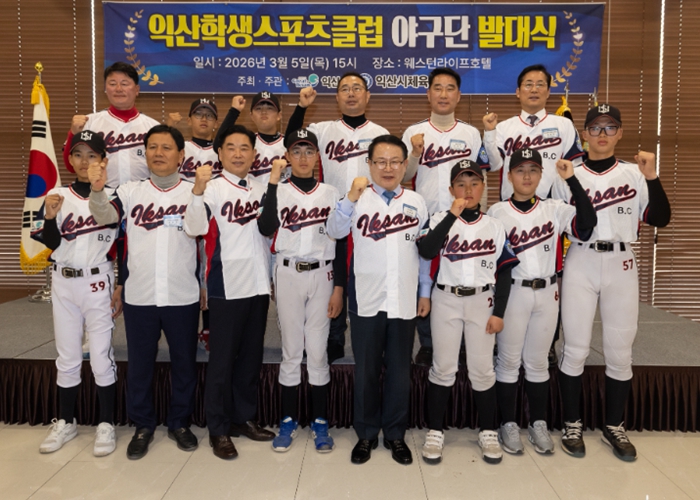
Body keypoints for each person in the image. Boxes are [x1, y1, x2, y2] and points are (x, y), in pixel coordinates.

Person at [552, 104, 671, 461]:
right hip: (581, 260)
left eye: (610, 127)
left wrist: (652, 176)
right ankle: (572, 423)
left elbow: (660, 217)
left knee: (620, 351)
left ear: (620, 133)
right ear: (584, 134)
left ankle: (614, 425)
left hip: (621, 261)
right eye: (595, 127)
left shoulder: (635, 173)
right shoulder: (567, 173)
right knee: (575, 348)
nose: (602, 134)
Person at [88, 124, 200, 460]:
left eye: (167, 147)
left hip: (182, 294)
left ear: (181, 155)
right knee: (139, 366)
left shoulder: (195, 191)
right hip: (140, 295)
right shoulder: (130, 191)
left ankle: (180, 423)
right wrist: (97, 190)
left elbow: (203, 239)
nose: (159, 153)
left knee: (184, 364)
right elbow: (106, 216)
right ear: (145, 152)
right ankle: (143, 425)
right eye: (152, 147)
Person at [327, 134, 430, 466]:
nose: (388, 168)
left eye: (395, 161)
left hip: (404, 299)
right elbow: (334, 231)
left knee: (400, 371)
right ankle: (367, 434)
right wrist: (350, 197)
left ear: (405, 165)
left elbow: (425, 255)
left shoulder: (417, 201)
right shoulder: (357, 199)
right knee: (367, 371)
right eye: (380, 162)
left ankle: (396, 434)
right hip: (366, 299)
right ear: (368, 164)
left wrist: (425, 292)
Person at [487, 148, 596, 456]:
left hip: (548, 293)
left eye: (533, 170)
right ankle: (508, 423)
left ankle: (538, 423)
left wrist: (571, 180)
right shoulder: (496, 212)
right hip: (514, 292)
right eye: (520, 170)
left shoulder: (554, 208)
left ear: (541, 175)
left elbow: (587, 224)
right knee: (508, 361)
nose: (527, 176)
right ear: (509, 176)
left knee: (537, 362)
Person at [418, 159, 519, 465]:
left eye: (474, 183)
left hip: (481, 300)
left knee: (482, 369)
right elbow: (426, 251)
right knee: (443, 367)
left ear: (483, 187)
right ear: (451, 190)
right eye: (461, 184)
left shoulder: (494, 225)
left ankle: (487, 431)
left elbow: (505, 272)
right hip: (446, 298)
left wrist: (499, 312)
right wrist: (452, 214)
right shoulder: (439, 218)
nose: (468, 190)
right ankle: (435, 431)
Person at [184, 124, 275, 460]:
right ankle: (219, 428)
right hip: (226, 285)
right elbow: (193, 228)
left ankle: (243, 418)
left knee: (250, 358)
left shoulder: (262, 188)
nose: (238, 154)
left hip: (258, 285)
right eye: (231, 147)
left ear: (254, 154)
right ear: (219, 153)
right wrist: (197, 190)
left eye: (244, 148)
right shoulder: (210, 188)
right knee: (222, 362)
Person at [288, 73, 390, 364]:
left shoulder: (380, 133)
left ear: (367, 96)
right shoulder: (323, 129)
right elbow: (291, 140)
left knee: (367, 280)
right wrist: (301, 107)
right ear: (337, 97)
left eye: (357, 88)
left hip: (370, 220)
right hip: (332, 217)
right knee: (332, 281)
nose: (351, 93)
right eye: (345, 89)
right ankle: (334, 338)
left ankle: (368, 339)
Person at [257, 129, 344, 453]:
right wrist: (272, 183)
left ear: (318, 156)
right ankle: (288, 420)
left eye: (309, 151)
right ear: (287, 157)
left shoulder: (332, 193)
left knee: (318, 351)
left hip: (322, 273)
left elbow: (342, 241)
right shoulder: (278, 190)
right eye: (297, 151)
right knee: (292, 350)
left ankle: (321, 421)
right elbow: (266, 227)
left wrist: (339, 287)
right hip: (288, 271)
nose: (303, 157)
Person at [33, 131, 119, 457]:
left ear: (103, 161)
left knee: (100, 357)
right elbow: (51, 243)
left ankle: (106, 423)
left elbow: (121, 240)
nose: (85, 161)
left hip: (97, 280)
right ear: (69, 159)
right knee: (68, 356)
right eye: (79, 154)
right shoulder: (56, 194)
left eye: (92, 155)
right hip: (64, 281)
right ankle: (66, 421)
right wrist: (50, 217)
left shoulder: (114, 195)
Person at [401, 67, 490, 366]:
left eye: (449, 88)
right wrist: (415, 153)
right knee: (424, 278)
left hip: (462, 217)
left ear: (458, 95)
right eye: (437, 88)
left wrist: (479, 216)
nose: (443, 94)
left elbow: (480, 178)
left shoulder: (470, 133)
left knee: (459, 276)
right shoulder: (413, 132)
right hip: (425, 217)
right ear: (428, 94)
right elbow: (404, 176)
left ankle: (462, 342)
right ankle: (427, 343)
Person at [482, 64, 584, 201]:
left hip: (554, 206)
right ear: (518, 92)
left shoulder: (564, 125)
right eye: (528, 85)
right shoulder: (503, 128)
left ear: (548, 92)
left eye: (540, 85)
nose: (534, 90)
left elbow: (576, 169)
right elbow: (494, 165)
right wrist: (489, 132)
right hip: (512, 206)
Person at [65, 61, 159, 187]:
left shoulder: (153, 127)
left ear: (137, 90)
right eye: (112, 84)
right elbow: (70, 166)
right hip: (102, 194)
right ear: (106, 89)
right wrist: (73, 133)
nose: (118, 89)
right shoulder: (89, 122)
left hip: (142, 195)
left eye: (124, 84)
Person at [213, 91, 293, 185]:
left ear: (279, 115)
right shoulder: (247, 142)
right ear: (251, 116)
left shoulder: (290, 143)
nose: (264, 112)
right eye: (258, 108)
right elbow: (218, 145)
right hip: (251, 193)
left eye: (270, 108)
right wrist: (234, 111)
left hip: (284, 193)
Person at [169, 98, 222, 181]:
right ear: (189, 121)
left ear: (216, 124)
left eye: (209, 115)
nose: (204, 119)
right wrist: (168, 128)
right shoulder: (180, 148)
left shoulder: (223, 152)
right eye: (198, 114)